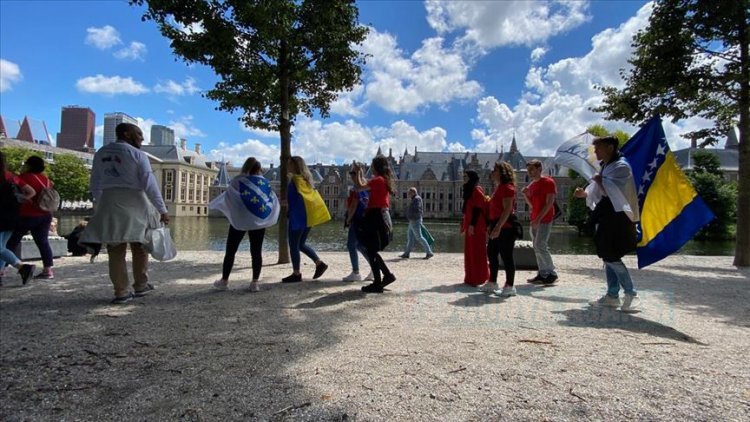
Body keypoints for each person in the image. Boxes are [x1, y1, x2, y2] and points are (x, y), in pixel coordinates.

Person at [79, 123, 170, 304]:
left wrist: (101, 203)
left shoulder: (101, 152)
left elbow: (95, 182)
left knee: (115, 249)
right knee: (141, 246)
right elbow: (149, 184)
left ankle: (121, 291)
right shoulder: (137, 154)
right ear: (127, 134)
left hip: (109, 201)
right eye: (139, 134)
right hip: (135, 202)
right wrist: (162, 210)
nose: (142, 138)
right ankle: (141, 285)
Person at [574, 136, 641, 312]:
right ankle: (612, 295)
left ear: (610, 147)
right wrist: (585, 194)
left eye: (598, 148)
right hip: (607, 214)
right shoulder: (607, 166)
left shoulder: (621, 166)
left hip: (618, 215)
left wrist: (600, 180)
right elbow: (598, 191)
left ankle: (631, 293)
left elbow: (614, 193)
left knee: (610, 254)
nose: (595, 152)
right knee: (607, 255)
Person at [209, 157, 279, 292]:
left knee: (231, 251)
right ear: (259, 169)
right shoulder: (265, 183)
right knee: (256, 252)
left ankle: (224, 280)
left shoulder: (237, 181)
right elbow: (271, 200)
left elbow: (229, 198)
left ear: (245, 167)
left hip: (240, 220)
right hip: (258, 221)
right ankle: (254, 283)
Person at [352, 156, 397, 293]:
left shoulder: (378, 180)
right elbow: (363, 184)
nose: (371, 167)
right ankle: (386, 277)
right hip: (381, 216)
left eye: (372, 165)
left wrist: (359, 172)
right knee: (371, 250)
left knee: (370, 249)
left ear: (375, 167)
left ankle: (380, 281)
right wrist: (358, 174)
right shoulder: (382, 181)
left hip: (376, 217)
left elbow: (360, 186)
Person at [6, 156, 56, 280]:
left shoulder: (23, 178)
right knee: (43, 242)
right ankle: (48, 270)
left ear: (29, 165)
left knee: (11, 242)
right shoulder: (47, 180)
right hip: (45, 215)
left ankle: (3, 268)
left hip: (27, 214)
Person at [282, 156, 330, 283]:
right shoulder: (307, 180)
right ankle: (319, 263)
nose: (287, 166)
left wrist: (281, 203)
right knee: (301, 244)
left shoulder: (294, 181)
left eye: (289, 164)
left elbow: (292, 201)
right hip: (308, 218)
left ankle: (296, 273)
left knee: (293, 245)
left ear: (294, 166)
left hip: (297, 219)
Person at [478, 161, 518, 297]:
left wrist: (498, 227)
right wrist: (491, 225)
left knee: (507, 256)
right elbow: (495, 209)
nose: (492, 172)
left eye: (494, 170)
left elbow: (507, 209)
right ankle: (492, 282)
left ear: (501, 172)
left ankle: (509, 286)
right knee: (492, 252)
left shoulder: (507, 187)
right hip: (497, 224)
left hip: (506, 227)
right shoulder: (499, 187)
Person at [0, 151, 37, 286]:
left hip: (2, 215)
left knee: (0, 248)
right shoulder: (13, 177)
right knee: (2, 247)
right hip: (12, 215)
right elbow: (31, 191)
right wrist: (20, 200)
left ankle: (22, 267)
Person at [522, 159, 559, 284]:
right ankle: (542, 273)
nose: (530, 172)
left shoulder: (549, 182)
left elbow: (549, 203)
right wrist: (526, 196)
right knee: (536, 246)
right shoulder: (532, 185)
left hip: (545, 219)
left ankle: (552, 273)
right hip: (534, 219)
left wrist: (538, 219)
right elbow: (532, 205)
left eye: (532, 169)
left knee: (540, 245)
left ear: (539, 169)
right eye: (528, 170)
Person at [342, 165, 373, 282]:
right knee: (359, 245)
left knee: (351, 245)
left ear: (359, 174)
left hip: (357, 220)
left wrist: (348, 219)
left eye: (353, 173)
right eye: (351, 173)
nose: (351, 175)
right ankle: (374, 268)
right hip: (364, 220)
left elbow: (354, 205)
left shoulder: (357, 187)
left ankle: (356, 272)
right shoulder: (365, 186)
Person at [460, 170, 489, 286]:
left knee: (477, 251)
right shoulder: (469, 190)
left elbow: (478, 208)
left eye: (466, 176)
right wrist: (464, 223)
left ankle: (479, 278)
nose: (464, 178)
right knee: (470, 251)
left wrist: (472, 224)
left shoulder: (477, 190)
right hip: (470, 224)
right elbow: (467, 209)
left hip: (477, 225)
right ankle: (471, 277)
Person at [399, 187, 434, 259]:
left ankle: (429, 252)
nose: (408, 194)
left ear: (413, 192)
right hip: (412, 221)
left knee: (419, 237)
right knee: (410, 238)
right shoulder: (415, 199)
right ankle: (406, 253)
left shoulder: (416, 199)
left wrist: (412, 215)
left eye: (409, 193)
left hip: (415, 220)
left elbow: (417, 209)